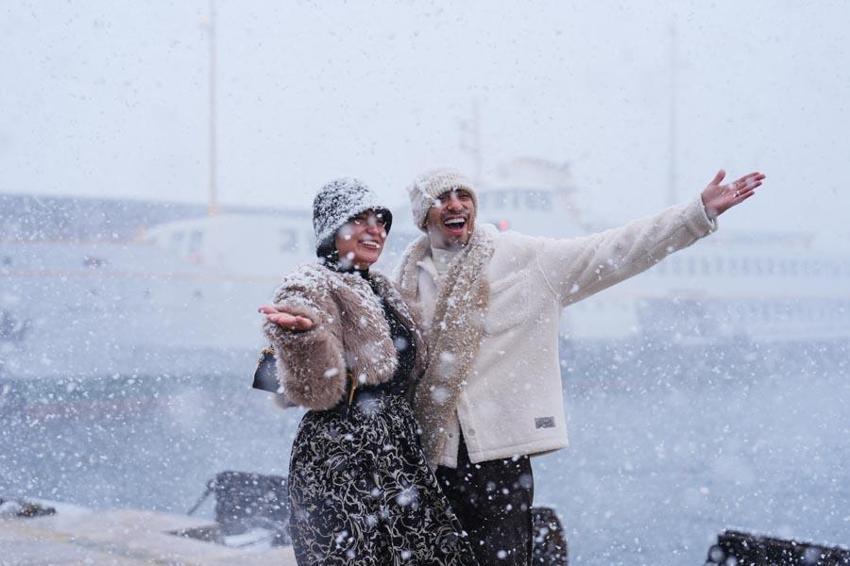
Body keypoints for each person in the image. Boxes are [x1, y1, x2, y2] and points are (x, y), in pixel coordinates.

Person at [394, 167, 766, 565]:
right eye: (441, 199)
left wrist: (696, 214)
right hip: (434, 458)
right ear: (422, 217)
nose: (455, 205)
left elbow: (616, 250)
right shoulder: (407, 280)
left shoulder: (522, 258)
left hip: (499, 457)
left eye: (462, 195)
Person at [259, 178, 479, 565]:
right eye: (359, 220)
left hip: (396, 447)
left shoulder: (381, 287)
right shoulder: (310, 284)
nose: (375, 230)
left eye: (380, 222)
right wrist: (302, 336)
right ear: (332, 228)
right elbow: (315, 388)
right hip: (341, 452)